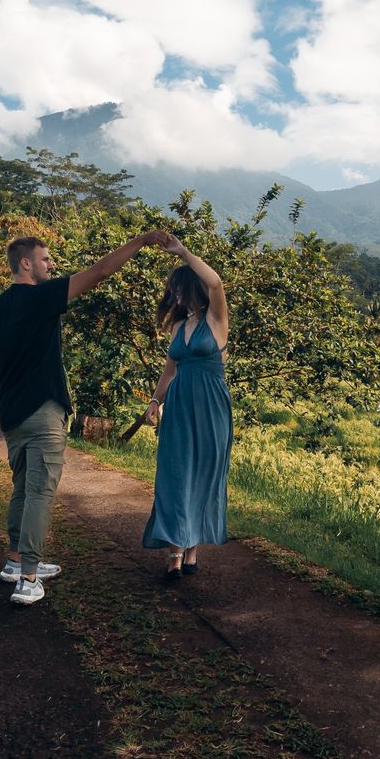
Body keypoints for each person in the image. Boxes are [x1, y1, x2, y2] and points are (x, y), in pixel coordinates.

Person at [0, 231, 161, 605]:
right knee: (40, 492)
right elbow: (101, 272)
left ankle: (15, 561)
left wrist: (16, 377)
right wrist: (141, 241)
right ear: (26, 264)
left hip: (11, 415)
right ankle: (28, 578)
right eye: (46, 260)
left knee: (24, 488)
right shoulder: (42, 297)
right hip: (43, 412)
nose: (51, 265)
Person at [141, 232, 232, 582]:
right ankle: (175, 553)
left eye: (180, 288)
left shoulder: (217, 319)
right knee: (176, 474)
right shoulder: (179, 326)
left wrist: (183, 252)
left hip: (211, 407)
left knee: (204, 477)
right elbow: (169, 371)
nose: (174, 295)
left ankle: (191, 550)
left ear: (192, 287)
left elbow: (216, 282)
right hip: (179, 404)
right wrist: (154, 400)